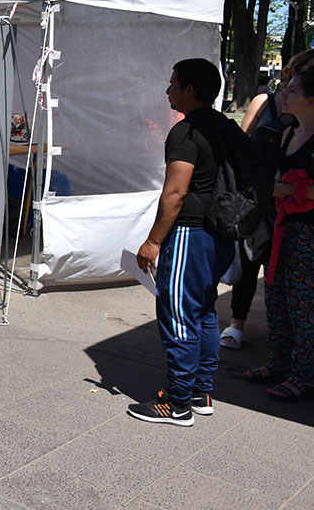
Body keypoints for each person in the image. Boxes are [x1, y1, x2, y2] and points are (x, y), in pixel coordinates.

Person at [127, 58, 238, 424]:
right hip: (220, 234)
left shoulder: (186, 131)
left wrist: (153, 241)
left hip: (191, 234)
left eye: (173, 83)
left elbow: (175, 193)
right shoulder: (225, 126)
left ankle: (177, 403)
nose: (167, 90)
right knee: (203, 310)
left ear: (190, 90)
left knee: (177, 316)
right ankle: (199, 392)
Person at [228, 49, 314, 349]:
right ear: (293, 69)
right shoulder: (266, 103)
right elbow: (241, 143)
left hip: (293, 210)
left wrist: (289, 190)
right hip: (263, 197)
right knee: (251, 259)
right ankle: (236, 324)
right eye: (307, 68)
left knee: (286, 278)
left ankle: (291, 355)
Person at [242, 68, 314, 402]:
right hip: (283, 226)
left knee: (304, 304)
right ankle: (280, 363)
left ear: (311, 99)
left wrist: (289, 190)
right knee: (277, 297)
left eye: (293, 90)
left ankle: (304, 377)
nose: (284, 94)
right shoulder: (288, 132)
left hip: (307, 233)